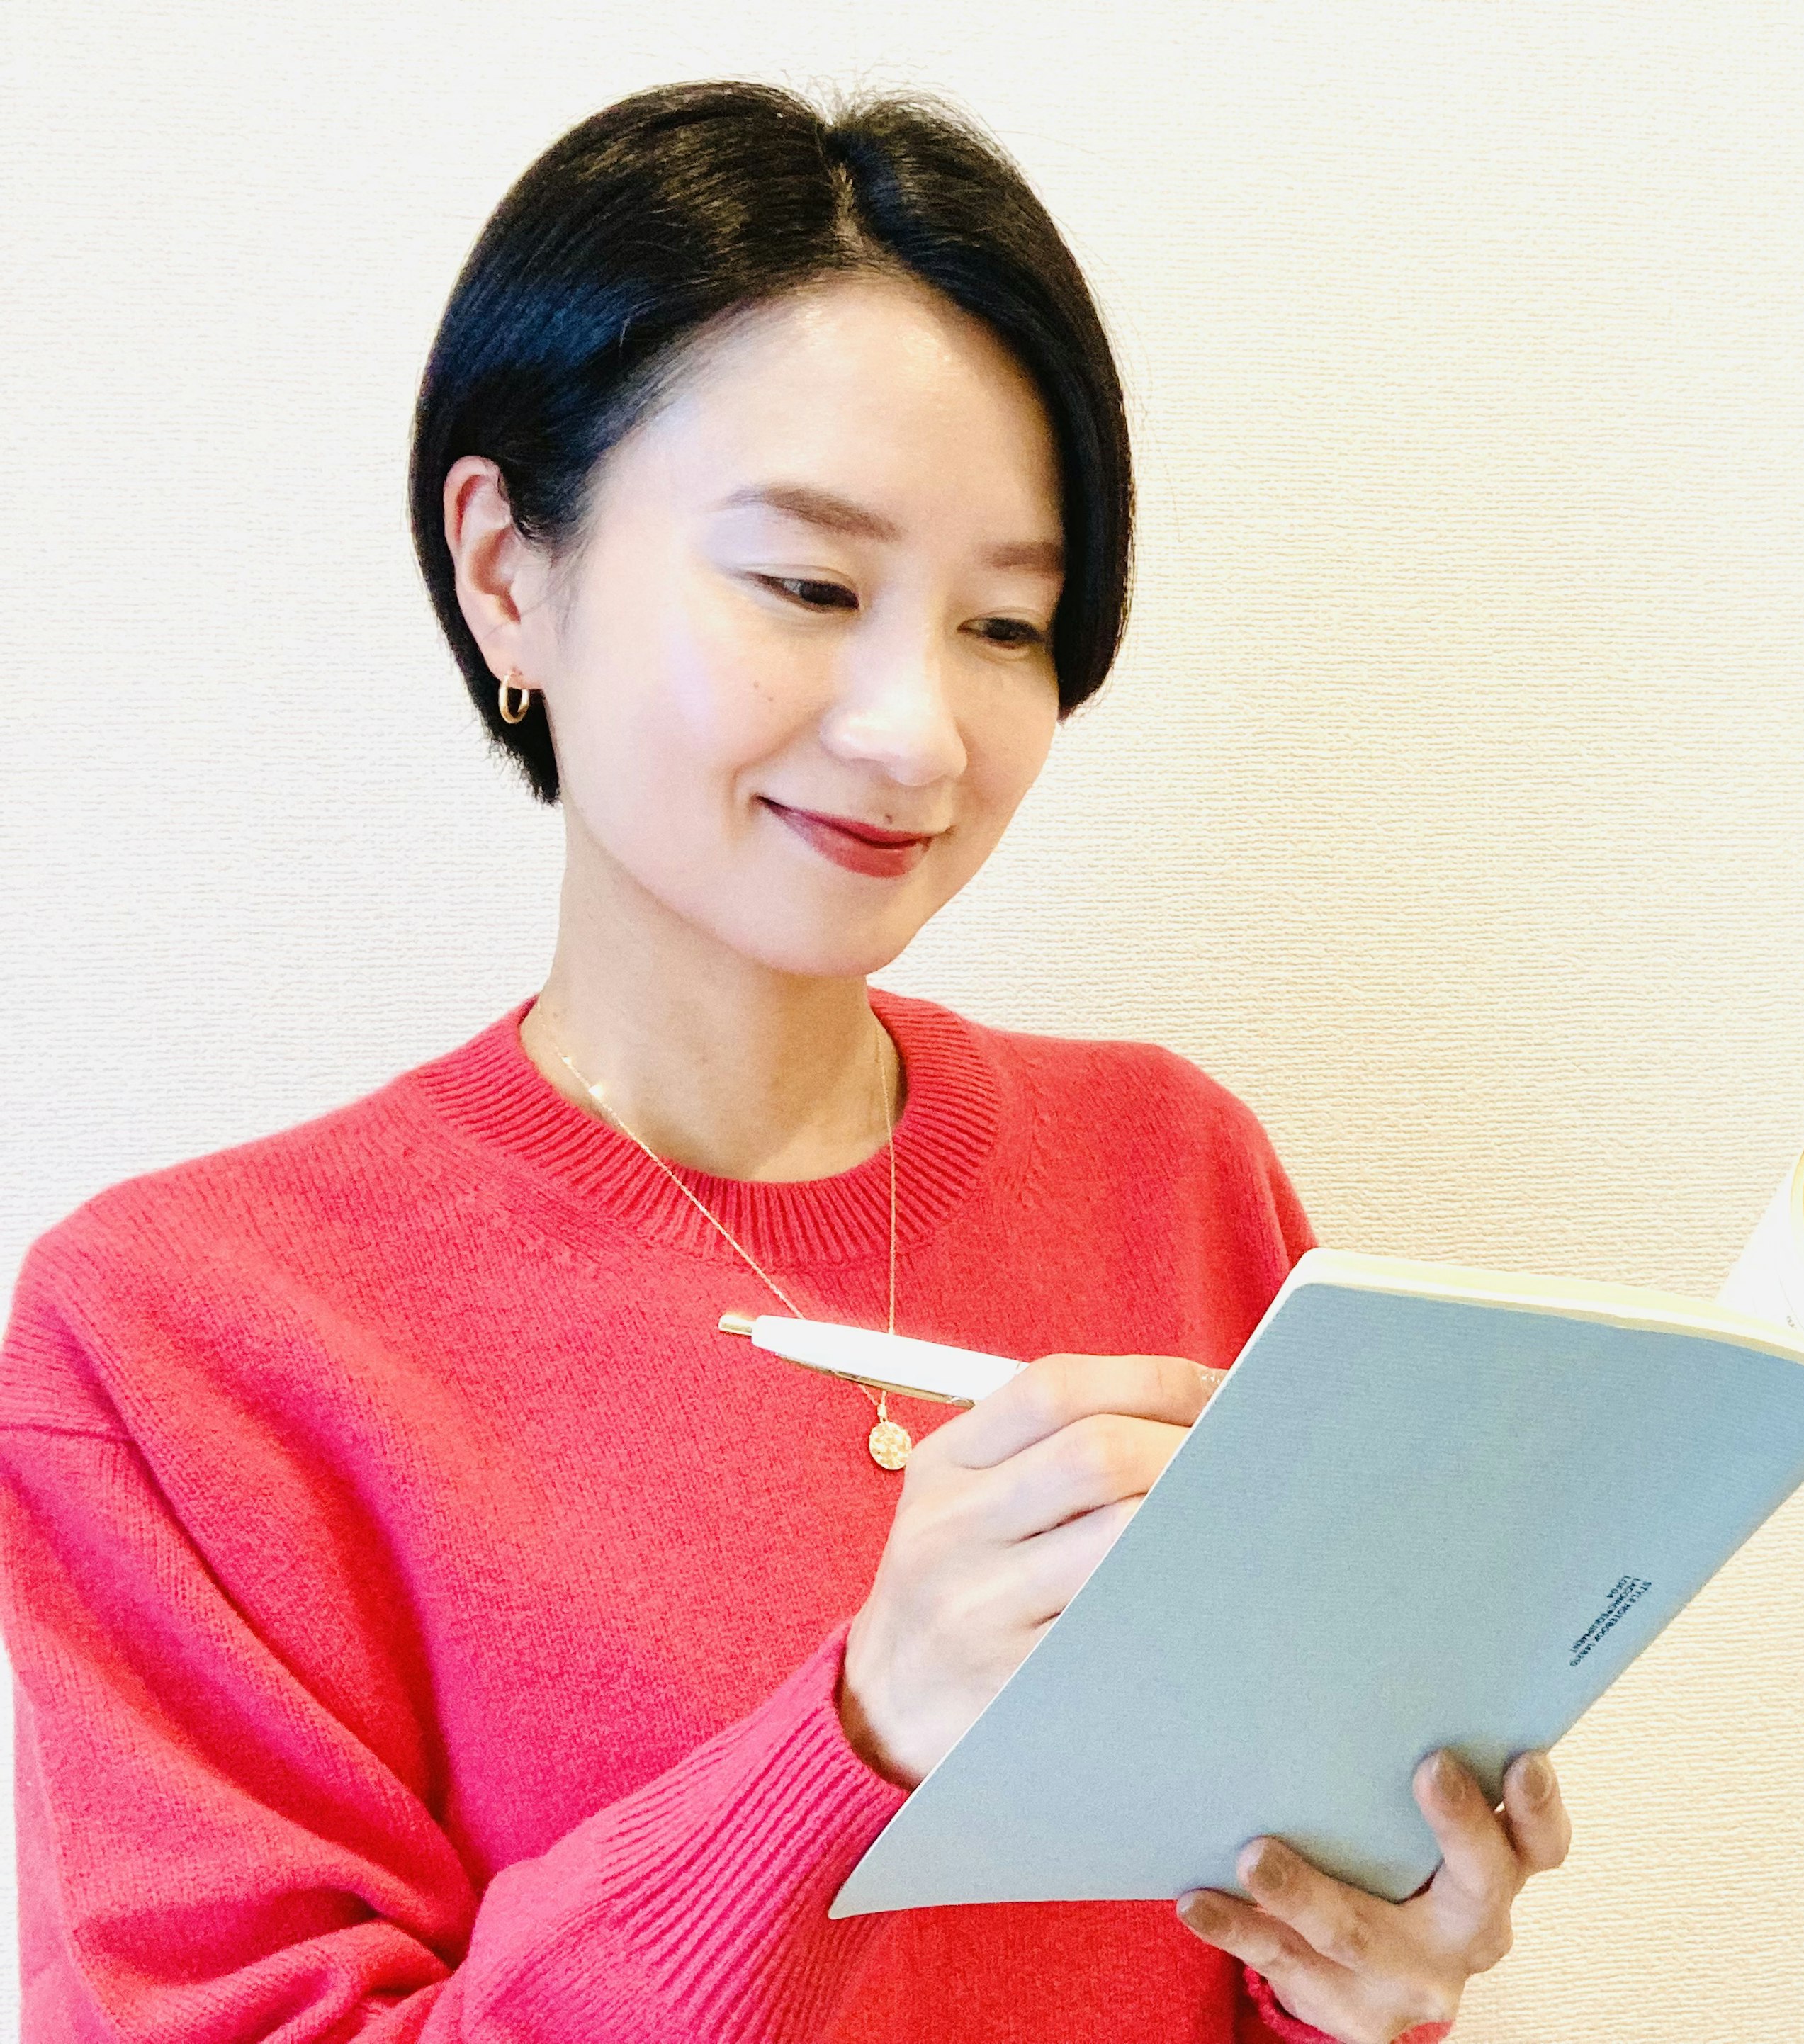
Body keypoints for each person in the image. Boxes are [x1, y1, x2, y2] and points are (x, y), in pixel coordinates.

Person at [0, 79, 1571, 2044]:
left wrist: (1361, 1983)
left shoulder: (1177, 1175)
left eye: (1010, 620)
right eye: (810, 587)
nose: (921, 730)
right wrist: (858, 1736)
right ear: (508, 568)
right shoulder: (184, 1342)